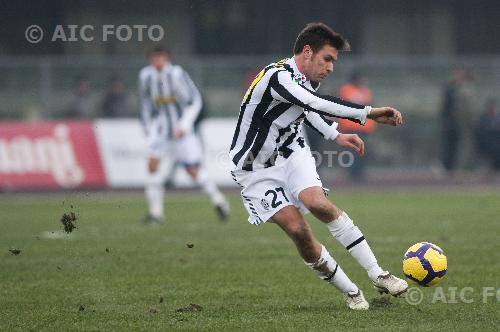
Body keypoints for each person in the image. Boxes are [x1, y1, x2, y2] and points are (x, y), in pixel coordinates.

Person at [229, 22, 406, 310]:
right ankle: (351, 292)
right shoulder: (278, 77)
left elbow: (306, 109)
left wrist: (335, 134)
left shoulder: (306, 80)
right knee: (298, 230)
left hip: (292, 153)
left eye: (334, 62)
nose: (331, 67)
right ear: (307, 52)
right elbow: (313, 102)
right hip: (255, 169)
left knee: (318, 204)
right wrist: (369, 113)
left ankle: (378, 274)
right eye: (328, 59)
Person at [139, 46, 229, 224]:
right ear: (150, 59)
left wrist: (184, 124)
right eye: (154, 58)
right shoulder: (146, 76)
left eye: (161, 57)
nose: (158, 61)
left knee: (192, 172)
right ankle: (156, 213)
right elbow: (145, 102)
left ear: (167, 58)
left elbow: (195, 100)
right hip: (162, 130)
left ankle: (219, 200)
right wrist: (147, 124)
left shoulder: (177, 74)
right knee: (152, 165)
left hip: (182, 131)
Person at [337, 71, 376, 181]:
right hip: (350, 127)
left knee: (362, 152)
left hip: (364, 128)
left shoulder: (365, 91)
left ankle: (359, 173)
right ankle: (353, 174)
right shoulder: (346, 90)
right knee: (352, 152)